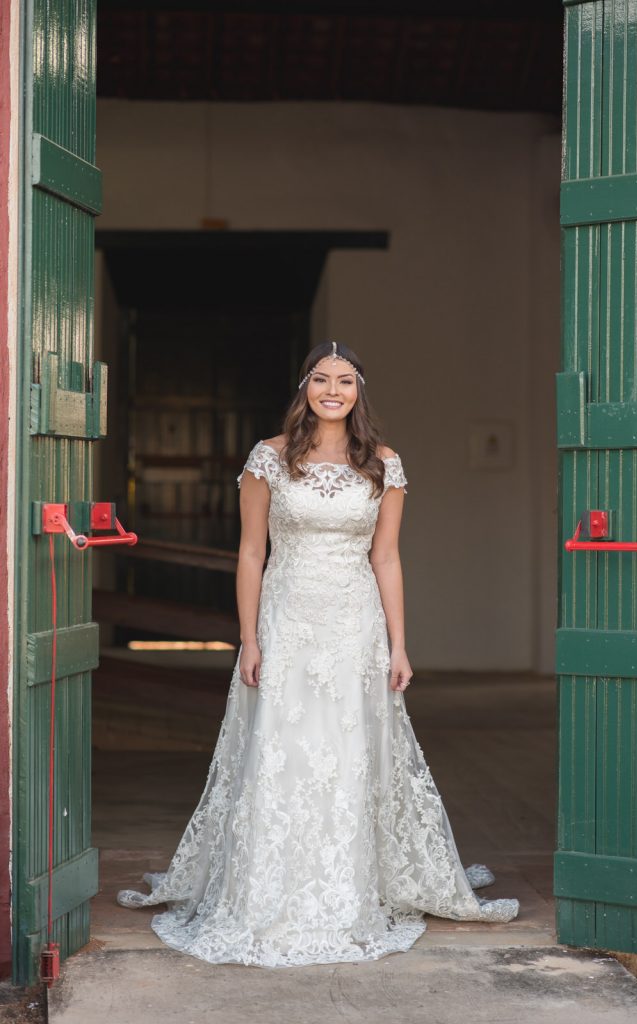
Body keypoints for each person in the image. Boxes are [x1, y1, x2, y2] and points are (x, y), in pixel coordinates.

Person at [116, 340, 519, 967]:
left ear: (360, 392)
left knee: (348, 753)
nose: (334, 390)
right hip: (287, 619)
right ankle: (266, 893)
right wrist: (248, 637)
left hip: (354, 625)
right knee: (281, 750)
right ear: (304, 385)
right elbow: (252, 552)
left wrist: (399, 644)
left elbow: (385, 556)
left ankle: (346, 890)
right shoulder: (269, 458)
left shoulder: (384, 463)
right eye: (322, 379)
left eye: (347, 381)